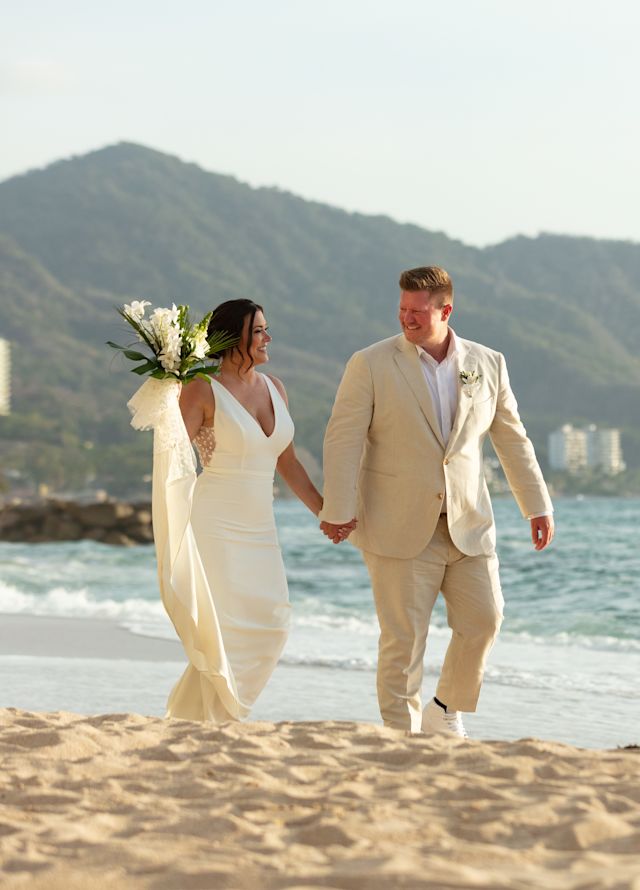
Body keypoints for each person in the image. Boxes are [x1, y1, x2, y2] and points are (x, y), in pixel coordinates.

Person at [319, 266, 554, 738]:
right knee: (403, 642)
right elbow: (343, 439)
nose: (407, 319)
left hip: (468, 522)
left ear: (446, 311)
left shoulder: (488, 363)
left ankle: (445, 707)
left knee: (485, 619)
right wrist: (338, 508)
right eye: (402, 309)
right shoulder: (370, 363)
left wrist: (537, 505)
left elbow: (511, 438)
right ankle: (400, 736)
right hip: (396, 521)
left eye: (418, 312)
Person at [172, 298, 323, 721]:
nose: (267, 337)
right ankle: (219, 719)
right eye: (258, 331)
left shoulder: (276, 387)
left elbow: (288, 463)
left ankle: (196, 715)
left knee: (272, 624)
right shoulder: (201, 388)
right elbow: (175, 458)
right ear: (230, 338)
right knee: (225, 628)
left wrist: (323, 512)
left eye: (265, 329)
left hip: (260, 525)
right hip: (214, 521)